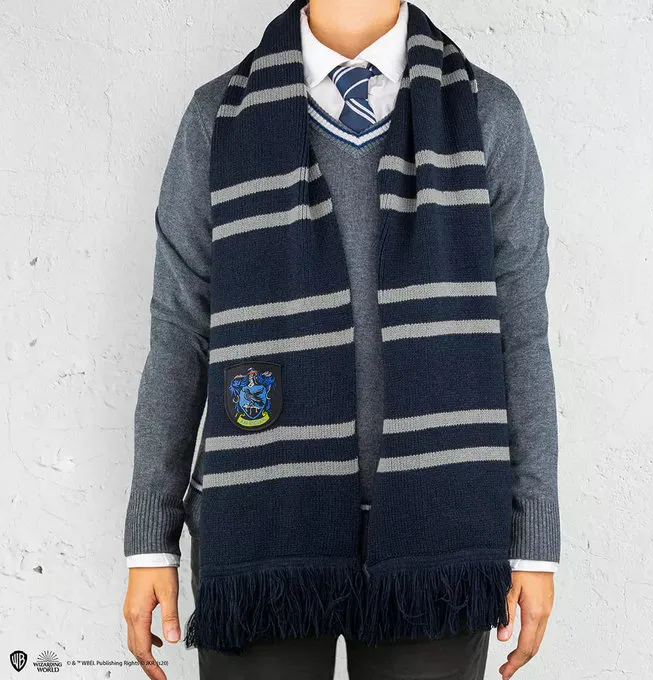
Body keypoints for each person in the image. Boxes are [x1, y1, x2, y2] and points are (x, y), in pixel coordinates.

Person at [122, 1, 560, 679]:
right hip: (262, 529)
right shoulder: (217, 119)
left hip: (438, 533)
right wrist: (151, 538)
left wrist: (534, 539)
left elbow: (522, 332)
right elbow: (179, 331)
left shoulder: (486, 114)